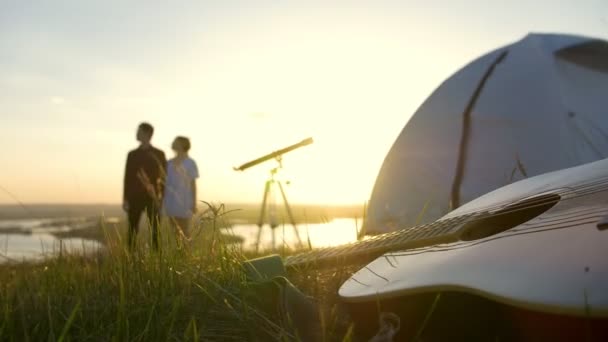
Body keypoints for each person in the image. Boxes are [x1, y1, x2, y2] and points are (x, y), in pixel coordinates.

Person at [123, 122, 167, 250]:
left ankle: (156, 261)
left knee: (155, 231)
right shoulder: (132, 154)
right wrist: (125, 199)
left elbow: (164, 177)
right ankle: (130, 260)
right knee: (132, 231)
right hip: (134, 197)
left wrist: (161, 198)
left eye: (139, 131)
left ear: (147, 134)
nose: (136, 133)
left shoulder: (159, 154)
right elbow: (127, 178)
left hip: (153, 198)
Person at [163, 136, 199, 247]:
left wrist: (193, 203)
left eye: (175, 141)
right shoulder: (168, 162)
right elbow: (164, 182)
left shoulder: (190, 163)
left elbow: (193, 184)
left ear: (182, 145)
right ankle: (178, 255)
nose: (172, 143)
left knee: (185, 231)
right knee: (174, 231)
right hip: (170, 201)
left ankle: (186, 255)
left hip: (185, 201)